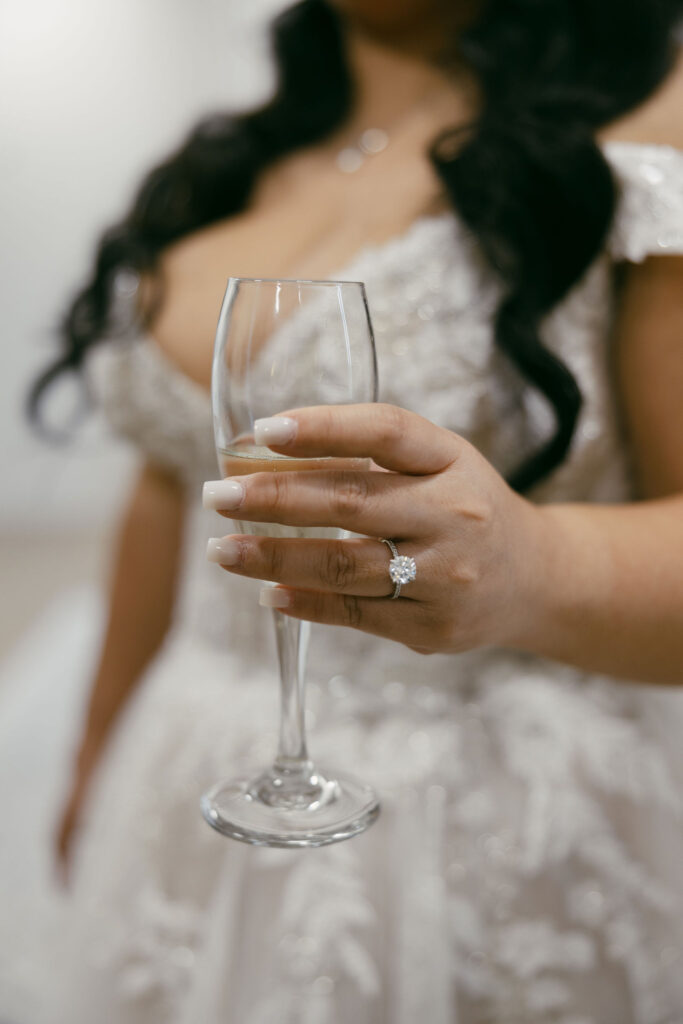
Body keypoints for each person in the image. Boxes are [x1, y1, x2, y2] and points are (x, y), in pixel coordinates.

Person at [5, 0, 683, 1019]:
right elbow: (169, 496)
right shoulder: (236, 162)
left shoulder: (643, 127)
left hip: (482, 813)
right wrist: (97, 749)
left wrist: (534, 563)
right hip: (190, 770)